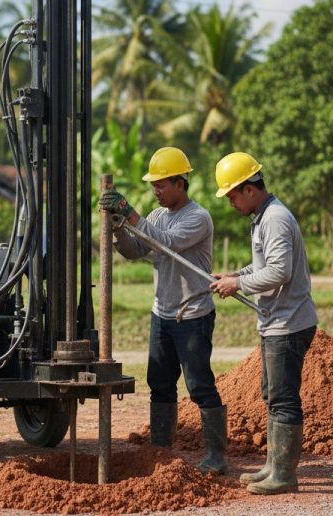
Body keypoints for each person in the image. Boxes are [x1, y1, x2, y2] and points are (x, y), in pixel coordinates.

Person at [100, 147, 227, 475]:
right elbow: (135, 250)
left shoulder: (197, 218)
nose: (155, 190)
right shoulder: (156, 216)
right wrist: (117, 229)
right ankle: (161, 451)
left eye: (161, 184)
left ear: (180, 183)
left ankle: (216, 456)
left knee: (199, 384)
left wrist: (130, 214)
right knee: (159, 382)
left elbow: (165, 243)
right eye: (153, 185)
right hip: (162, 313)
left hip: (193, 314)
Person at [209, 152, 318, 495]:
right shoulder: (263, 217)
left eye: (232, 196)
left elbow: (279, 272)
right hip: (276, 322)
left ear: (249, 189)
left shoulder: (275, 219)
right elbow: (263, 265)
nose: (231, 203)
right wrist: (234, 275)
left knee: (284, 399)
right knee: (272, 395)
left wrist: (237, 285)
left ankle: (284, 475)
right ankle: (273, 466)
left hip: (288, 323)